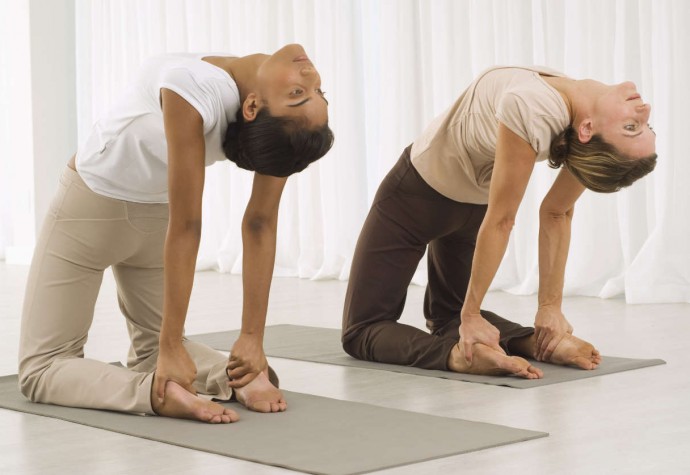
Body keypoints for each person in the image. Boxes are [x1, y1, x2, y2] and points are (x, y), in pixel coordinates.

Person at [18, 43, 334, 423]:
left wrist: (241, 339)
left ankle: (157, 391)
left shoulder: (196, 89)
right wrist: (246, 339)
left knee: (42, 367)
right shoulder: (267, 122)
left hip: (92, 211)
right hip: (158, 220)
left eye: (302, 94)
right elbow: (259, 222)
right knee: (155, 350)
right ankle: (236, 378)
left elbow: (193, 226)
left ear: (252, 107)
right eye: (315, 91)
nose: (311, 77)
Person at [342, 66, 656, 379]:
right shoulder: (579, 118)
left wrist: (473, 313)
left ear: (588, 129)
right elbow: (555, 212)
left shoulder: (535, 107)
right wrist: (548, 308)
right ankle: (535, 343)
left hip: (416, 198)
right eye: (644, 125)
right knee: (449, 317)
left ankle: (458, 357)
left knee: (362, 329)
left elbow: (505, 220)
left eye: (631, 127)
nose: (644, 110)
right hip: (473, 209)